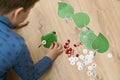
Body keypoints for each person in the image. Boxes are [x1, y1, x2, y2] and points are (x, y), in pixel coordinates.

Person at [0, 0, 63, 80]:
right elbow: (30, 76)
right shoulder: (17, 46)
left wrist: (11, 24)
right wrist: (50, 56)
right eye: (29, 10)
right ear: (18, 13)